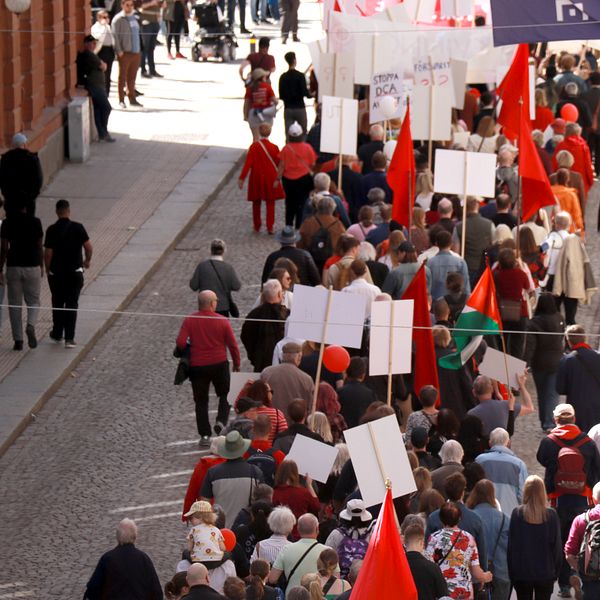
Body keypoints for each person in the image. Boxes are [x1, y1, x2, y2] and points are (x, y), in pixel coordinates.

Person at [536, 403, 600, 597]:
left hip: (558, 500)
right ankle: (581, 577)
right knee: (584, 538)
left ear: (556, 420)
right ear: (574, 419)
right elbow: (597, 470)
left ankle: (564, 585)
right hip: (583, 500)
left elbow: (541, 459)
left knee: (565, 542)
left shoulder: (548, 442)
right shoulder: (587, 442)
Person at [176, 290, 241, 445]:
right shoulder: (222, 321)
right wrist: (237, 363)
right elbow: (233, 345)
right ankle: (221, 421)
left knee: (201, 401)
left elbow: (180, 342)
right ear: (212, 303)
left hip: (197, 366)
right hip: (219, 364)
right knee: (225, 394)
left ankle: (204, 435)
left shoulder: (190, 320)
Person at [44, 199, 92, 347]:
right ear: (69, 211)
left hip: (57, 274)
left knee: (57, 302)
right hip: (74, 273)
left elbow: (48, 253)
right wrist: (87, 261)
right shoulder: (78, 227)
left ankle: (57, 333)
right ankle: (69, 338)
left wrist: (48, 269)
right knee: (72, 303)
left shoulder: (51, 230)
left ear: (57, 212)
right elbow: (89, 247)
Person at [507, 475, 562, 600]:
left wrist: (512, 572)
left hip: (522, 572)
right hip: (545, 572)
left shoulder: (517, 513)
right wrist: (556, 572)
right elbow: (557, 547)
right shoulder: (551, 515)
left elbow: (511, 546)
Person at [425, 501, 492, 598]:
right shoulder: (469, 538)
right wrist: (486, 576)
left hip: (441, 592)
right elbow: (476, 572)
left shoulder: (434, 538)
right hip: (464, 592)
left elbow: (428, 566)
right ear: (459, 518)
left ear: (441, 519)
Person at [0, 203, 43, 351]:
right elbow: (39, 245)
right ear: (26, 206)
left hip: (13, 266)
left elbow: (4, 248)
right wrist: (42, 265)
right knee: (34, 301)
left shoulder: (6, 223)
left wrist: (0, 268)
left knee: (14, 304)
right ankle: (30, 325)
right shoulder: (35, 221)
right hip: (32, 265)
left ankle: (18, 340)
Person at [84, 518, 163, 600]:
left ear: (117, 537)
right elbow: (157, 592)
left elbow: (93, 588)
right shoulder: (144, 559)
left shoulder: (107, 559)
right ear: (135, 537)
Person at [201, 431, 264, 528]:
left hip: (220, 529)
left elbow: (204, 504)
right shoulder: (256, 472)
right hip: (245, 529)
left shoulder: (213, 473)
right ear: (243, 450)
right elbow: (262, 504)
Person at [524, 292, 565, 432]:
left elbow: (530, 346)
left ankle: (545, 421)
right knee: (553, 393)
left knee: (542, 393)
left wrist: (526, 363)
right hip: (557, 361)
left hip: (539, 363)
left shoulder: (534, 323)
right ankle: (550, 422)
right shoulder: (560, 318)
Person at [268, 514, 331, 595]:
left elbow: (272, 579)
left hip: (292, 595)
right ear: (317, 529)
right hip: (318, 596)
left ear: (298, 529)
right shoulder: (328, 551)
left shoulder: (286, 549)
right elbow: (336, 579)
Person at [238, 124, 284, 233]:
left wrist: (242, 178)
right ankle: (270, 226)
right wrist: (279, 177)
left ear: (259, 131)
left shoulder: (254, 146)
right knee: (270, 202)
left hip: (256, 176)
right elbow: (279, 163)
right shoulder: (274, 147)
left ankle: (257, 225)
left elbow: (248, 164)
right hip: (270, 176)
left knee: (256, 202)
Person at [475, 428, 528, 518]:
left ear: (490, 443)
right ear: (508, 443)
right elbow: (522, 495)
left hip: (483, 515)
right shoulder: (519, 465)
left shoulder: (480, 460)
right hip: (509, 514)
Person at [556, 325, 600, 433]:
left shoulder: (566, 360)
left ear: (569, 341)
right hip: (597, 405)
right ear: (585, 338)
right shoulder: (598, 357)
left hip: (576, 406)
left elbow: (560, 389)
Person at [241, 279, 289, 372]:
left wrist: (253, 356)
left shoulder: (254, 315)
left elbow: (245, 337)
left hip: (261, 361)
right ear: (279, 294)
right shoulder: (287, 314)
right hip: (282, 361)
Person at [494, 248, 533, 358]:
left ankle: (501, 371)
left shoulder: (497, 274)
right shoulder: (520, 273)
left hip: (501, 312)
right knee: (518, 347)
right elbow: (528, 287)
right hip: (520, 312)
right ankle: (515, 373)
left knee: (502, 345)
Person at [262, 342, 314, 422]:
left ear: (282, 356)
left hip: (270, 423)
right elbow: (310, 407)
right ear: (298, 357)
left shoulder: (266, 373)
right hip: (294, 426)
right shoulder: (306, 379)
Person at [278, 123, 317, 229]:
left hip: (288, 180)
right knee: (303, 203)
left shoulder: (286, 148)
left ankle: (288, 225)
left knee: (290, 203)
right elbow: (313, 164)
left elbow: (281, 165)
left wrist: (277, 179)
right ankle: (299, 225)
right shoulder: (308, 148)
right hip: (304, 179)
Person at [564, 482, 600, 600]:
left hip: (590, 579)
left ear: (593, 499)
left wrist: (579, 571)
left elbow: (569, 554)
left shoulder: (581, 520)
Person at [467, 374, 534, 437]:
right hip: (504, 448)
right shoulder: (506, 405)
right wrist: (522, 386)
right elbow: (529, 408)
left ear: (474, 392)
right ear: (492, 390)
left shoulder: (471, 414)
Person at [189, 240, 241, 317]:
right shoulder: (228, 268)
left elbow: (193, 286)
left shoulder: (202, 266)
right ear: (224, 251)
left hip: (205, 307)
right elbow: (236, 286)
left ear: (211, 250)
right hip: (223, 307)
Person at [77, 35, 114, 142]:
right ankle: (104, 131)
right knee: (106, 108)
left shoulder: (92, 54)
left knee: (98, 109)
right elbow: (103, 66)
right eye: (93, 43)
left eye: (95, 43)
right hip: (95, 86)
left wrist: (103, 64)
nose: (94, 45)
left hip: (97, 86)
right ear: (87, 44)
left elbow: (103, 65)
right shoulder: (89, 55)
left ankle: (102, 133)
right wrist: (103, 65)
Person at [297, 195, 346, 272]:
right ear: (332, 209)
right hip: (331, 263)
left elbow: (300, 243)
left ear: (317, 208)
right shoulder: (338, 225)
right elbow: (343, 244)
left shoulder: (308, 223)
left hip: (311, 261)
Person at [454, 197, 494, 289]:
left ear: (466, 208)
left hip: (466, 266)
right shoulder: (489, 224)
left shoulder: (459, 227)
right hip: (484, 267)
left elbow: (456, 252)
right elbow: (493, 245)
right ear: (478, 207)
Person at [0, 133, 43, 217]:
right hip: (28, 202)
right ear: (24, 144)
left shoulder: (5, 159)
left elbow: (2, 180)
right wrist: (32, 197)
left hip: (11, 201)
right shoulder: (32, 159)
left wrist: (7, 196)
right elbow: (38, 180)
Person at [403, 523, 449, 600]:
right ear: (422, 542)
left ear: (404, 543)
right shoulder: (433, 568)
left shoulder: (396, 567)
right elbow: (443, 596)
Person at [272, 460, 320, 532]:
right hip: (298, 533)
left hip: (278, 532)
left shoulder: (274, 492)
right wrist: (309, 485)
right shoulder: (303, 493)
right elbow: (317, 507)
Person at [112, 0, 143, 109]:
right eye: (127, 5)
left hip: (136, 52)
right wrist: (119, 50)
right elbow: (115, 36)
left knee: (132, 77)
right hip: (125, 53)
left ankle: (132, 98)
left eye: (131, 5)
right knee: (122, 77)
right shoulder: (118, 19)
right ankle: (121, 100)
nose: (129, 7)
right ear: (122, 5)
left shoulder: (134, 17)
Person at [423, 230, 470, 300]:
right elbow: (466, 288)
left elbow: (426, 287)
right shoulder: (460, 262)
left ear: (436, 244)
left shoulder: (430, 263)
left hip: (435, 305)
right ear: (451, 244)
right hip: (456, 305)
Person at [553, 122, 594, 196]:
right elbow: (588, 166)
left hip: (562, 181)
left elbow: (554, 164)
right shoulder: (584, 147)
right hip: (580, 181)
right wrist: (590, 181)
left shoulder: (561, 145)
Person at [279, 52, 311, 139]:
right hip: (300, 107)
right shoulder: (300, 76)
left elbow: (281, 95)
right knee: (303, 132)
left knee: (288, 133)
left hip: (288, 108)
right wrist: (312, 94)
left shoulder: (283, 77)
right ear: (294, 60)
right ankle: (302, 149)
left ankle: (289, 150)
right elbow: (305, 93)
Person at [337, 357, 376, 428]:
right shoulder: (369, 393)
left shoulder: (340, 392)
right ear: (363, 374)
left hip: (344, 430)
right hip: (362, 430)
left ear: (347, 373)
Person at [244, 69, 278, 142]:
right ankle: (264, 151)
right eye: (265, 76)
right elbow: (275, 101)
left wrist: (245, 115)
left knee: (256, 138)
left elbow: (247, 103)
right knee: (265, 138)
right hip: (266, 114)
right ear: (262, 77)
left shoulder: (250, 88)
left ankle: (256, 151)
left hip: (254, 114)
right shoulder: (267, 87)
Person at [551, 169, 584, 234]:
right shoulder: (571, 195)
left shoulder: (549, 192)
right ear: (567, 179)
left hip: (552, 227)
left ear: (556, 179)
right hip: (568, 229)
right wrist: (581, 230)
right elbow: (577, 215)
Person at [91, 10, 115, 95]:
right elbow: (98, 38)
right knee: (102, 76)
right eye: (104, 17)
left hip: (109, 51)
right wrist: (103, 26)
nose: (106, 19)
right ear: (98, 18)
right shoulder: (96, 27)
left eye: (107, 17)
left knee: (108, 76)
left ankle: (107, 94)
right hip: (101, 52)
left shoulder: (108, 27)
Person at [139, 0, 163, 77]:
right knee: (145, 48)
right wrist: (151, 3)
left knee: (151, 48)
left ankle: (152, 70)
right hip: (146, 23)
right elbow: (139, 7)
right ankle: (143, 70)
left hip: (155, 22)